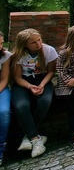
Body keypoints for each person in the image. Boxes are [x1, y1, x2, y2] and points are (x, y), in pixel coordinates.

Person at [10, 28, 58, 158]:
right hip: (24, 82)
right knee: (21, 106)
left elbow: (51, 72)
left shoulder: (49, 50)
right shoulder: (18, 55)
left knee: (44, 101)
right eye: (33, 42)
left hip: (42, 79)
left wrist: (41, 84)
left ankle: (29, 137)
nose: (38, 44)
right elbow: (17, 78)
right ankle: (36, 139)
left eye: (39, 40)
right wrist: (30, 86)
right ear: (25, 44)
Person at [0, 32, 11, 165]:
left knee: (3, 112)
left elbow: (4, 79)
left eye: (2, 43)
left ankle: (1, 147)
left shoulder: (5, 56)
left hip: (1, 88)